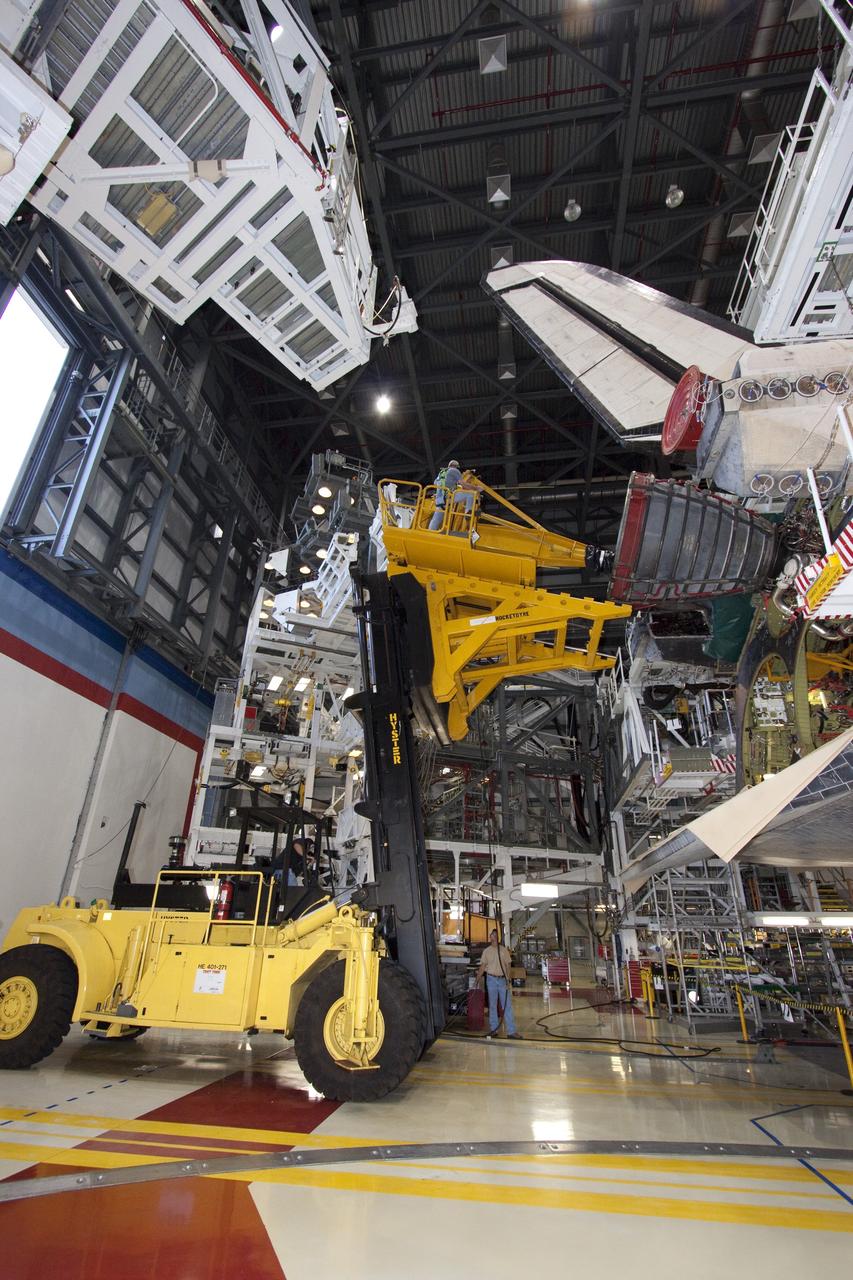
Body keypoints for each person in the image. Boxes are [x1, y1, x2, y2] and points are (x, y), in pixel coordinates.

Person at [476, 928, 522, 1039]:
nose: (494, 936)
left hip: (502, 980)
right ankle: (493, 1029)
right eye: (492, 934)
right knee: (492, 1005)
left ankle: (511, 1031)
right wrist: (477, 979)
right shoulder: (486, 951)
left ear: (498, 937)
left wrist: (508, 979)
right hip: (491, 979)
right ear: (489, 937)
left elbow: (508, 965)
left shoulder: (503, 950)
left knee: (507, 1005)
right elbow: (482, 967)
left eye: (496, 934)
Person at [428, 459, 478, 531]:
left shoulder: (442, 472)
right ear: (456, 466)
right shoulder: (454, 470)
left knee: (436, 519)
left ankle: (430, 532)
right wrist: (476, 488)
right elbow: (463, 484)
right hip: (448, 497)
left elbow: (435, 483)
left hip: (440, 500)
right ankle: (468, 512)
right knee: (470, 495)